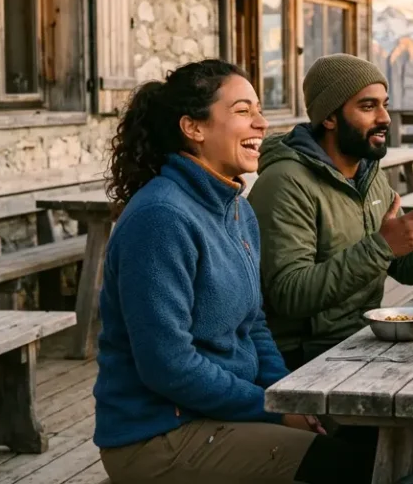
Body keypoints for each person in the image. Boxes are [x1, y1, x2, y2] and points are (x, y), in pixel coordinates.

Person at [92, 59, 357, 484]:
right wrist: (271, 408)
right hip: (159, 436)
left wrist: (289, 397)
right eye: (242, 111)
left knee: (369, 438)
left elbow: (253, 326)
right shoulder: (161, 218)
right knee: (344, 468)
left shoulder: (236, 209)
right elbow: (168, 365)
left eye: (258, 109)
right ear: (193, 128)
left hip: (221, 414)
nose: (261, 123)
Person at [248, 54, 413, 473]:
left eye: (385, 103)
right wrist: (382, 246)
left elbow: (402, 266)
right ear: (329, 117)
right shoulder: (285, 184)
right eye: (368, 106)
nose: (384, 117)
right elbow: (289, 294)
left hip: (361, 345)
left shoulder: (368, 174)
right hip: (306, 362)